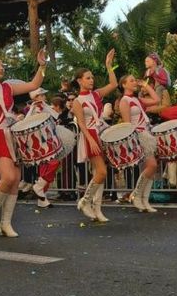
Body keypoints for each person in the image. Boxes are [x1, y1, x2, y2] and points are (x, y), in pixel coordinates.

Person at [0, 52, 47, 237]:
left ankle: (6, 223)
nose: (1, 67)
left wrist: (42, 66)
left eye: (2, 65)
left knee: (15, 180)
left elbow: (34, 85)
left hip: (11, 134)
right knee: (7, 177)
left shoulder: (8, 87)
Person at [69, 50, 120, 223]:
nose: (91, 80)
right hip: (90, 136)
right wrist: (91, 141)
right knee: (102, 172)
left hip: (101, 133)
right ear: (79, 81)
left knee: (99, 173)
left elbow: (113, 84)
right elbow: (82, 124)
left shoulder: (96, 94)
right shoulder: (77, 101)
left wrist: (108, 65)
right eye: (87, 78)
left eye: (92, 77)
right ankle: (85, 201)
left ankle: (97, 209)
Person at [118, 73, 162, 213]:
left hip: (146, 134)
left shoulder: (138, 99)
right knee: (152, 165)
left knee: (150, 168)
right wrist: (133, 143)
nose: (134, 82)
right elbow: (127, 124)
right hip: (138, 136)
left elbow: (157, 99)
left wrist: (145, 85)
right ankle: (137, 195)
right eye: (131, 81)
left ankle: (144, 199)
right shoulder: (125, 101)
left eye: (134, 80)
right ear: (124, 84)